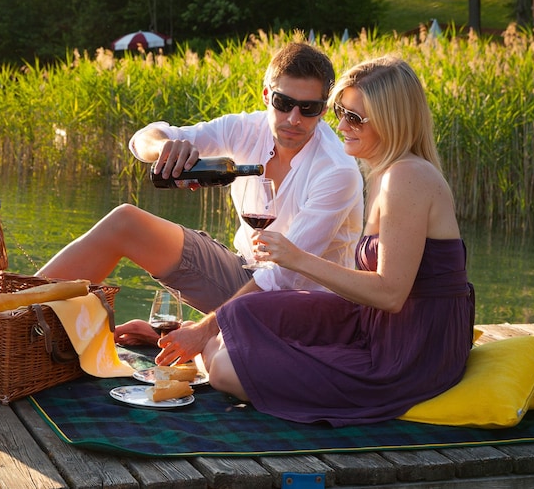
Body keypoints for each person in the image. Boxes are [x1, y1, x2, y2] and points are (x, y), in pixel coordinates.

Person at [36, 41, 364, 361]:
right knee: (125, 223)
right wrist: (165, 148)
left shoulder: (336, 171)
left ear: (323, 109)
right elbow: (141, 140)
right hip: (245, 275)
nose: (293, 118)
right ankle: (19, 313)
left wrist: (202, 331)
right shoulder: (246, 129)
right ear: (267, 95)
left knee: (220, 356)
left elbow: (283, 278)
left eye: (308, 108)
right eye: (283, 102)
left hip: (302, 311)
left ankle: (209, 339)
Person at [202, 55, 475, 426]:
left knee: (224, 369)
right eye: (340, 112)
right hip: (374, 325)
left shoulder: (407, 178)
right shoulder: (384, 172)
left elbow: (390, 294)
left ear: (391, 120)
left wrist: (296, 257)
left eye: (355, 118)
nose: (341, 126)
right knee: (236, 317)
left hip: (410, 353)